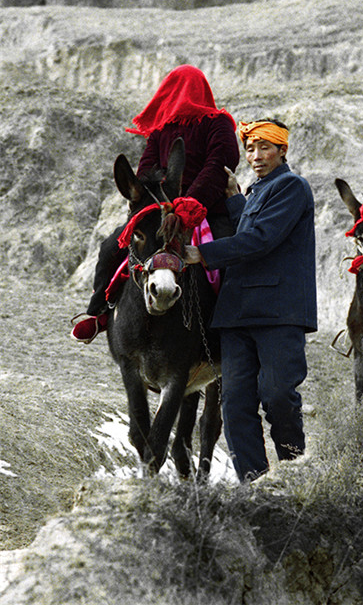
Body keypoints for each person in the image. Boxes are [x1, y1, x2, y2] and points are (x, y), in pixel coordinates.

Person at [184, 119, 317, 481]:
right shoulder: (257, 191)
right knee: (236, 404)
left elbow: (261, 238)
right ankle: (253, 484)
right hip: (238, 314)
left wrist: (202, 253)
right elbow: (249, 228)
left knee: (277, 396)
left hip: (277, 312)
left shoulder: (292, 186)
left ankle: (293, 474)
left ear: (282, 150)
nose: (255, 156)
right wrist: (235, 197)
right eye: (250, 149)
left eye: (264, 148)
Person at [71, 64, 240, 342]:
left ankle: (233, 330)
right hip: (162, 209)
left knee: (228, 254)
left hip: (207, 208)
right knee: (110, 248)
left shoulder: (218, 123)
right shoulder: (163, 129)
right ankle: (99, 312)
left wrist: (189, 204)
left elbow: (218, 164)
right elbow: (147, 167)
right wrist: (153, 200)